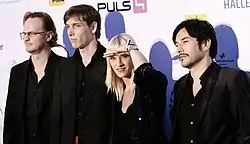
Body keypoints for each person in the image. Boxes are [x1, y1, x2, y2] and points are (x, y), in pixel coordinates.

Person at [171, 19, 250, 144]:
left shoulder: (231, 80)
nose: (179, 49)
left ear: (205, 44)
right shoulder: (180, 85)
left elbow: (245, 133)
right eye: (176, 44)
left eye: (185, 42)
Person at [54, 4, 113, 144]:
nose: (70, 32)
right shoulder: (64, 68)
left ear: (93, 27)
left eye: (76, 25)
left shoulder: (112, 62)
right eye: (68, 26)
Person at [3, 11, 64, 144]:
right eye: (24, 34)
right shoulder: (17, 72)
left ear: (48, 36)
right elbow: (10, 120)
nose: (26, 38)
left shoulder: (67, 69)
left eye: (32, 33)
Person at [104, 33, 168, 144]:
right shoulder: (114, 95)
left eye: (124, 56)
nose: (119, 63)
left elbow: (150, 74)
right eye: (113, 58)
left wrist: (131, 49)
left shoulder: (147, 87)